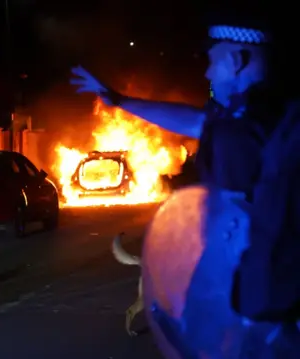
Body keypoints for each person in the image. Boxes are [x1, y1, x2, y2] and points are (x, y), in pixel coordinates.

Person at [71, 9, 300, 354]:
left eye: (213, 62)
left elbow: (242, 230)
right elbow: (195, 121)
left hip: (257, 307)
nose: (207, 72)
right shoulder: (262, 116)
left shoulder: (240, 133)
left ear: (237, 60)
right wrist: (120, 101)